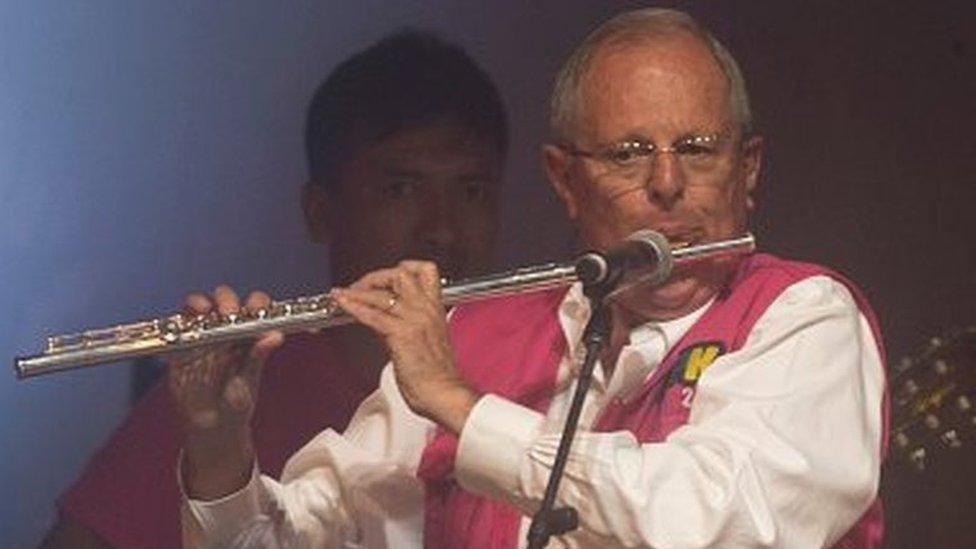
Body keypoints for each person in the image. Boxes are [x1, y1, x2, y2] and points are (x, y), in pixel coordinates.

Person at [176, 8, 888, 548]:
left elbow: (707, 522)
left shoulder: (805, 317)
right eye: (629, 154)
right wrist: (218, 444)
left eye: (698, 150)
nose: (668, 183)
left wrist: (460, 404)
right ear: (566, 180)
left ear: (748, 168)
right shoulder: (478, 330)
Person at [43, 30, 507, 548]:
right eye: (400, 189)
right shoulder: (237, 381)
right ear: (321, 212)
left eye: (472, 190)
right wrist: (217, 442)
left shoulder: (543, 366)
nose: (441, 229)